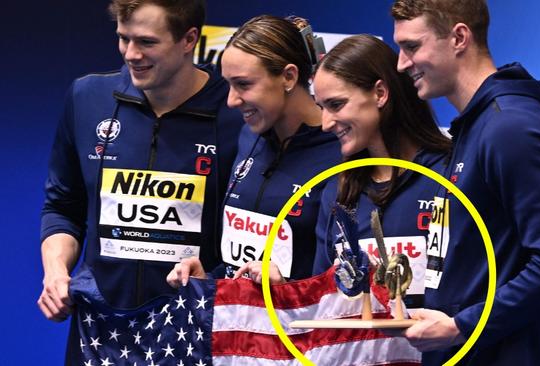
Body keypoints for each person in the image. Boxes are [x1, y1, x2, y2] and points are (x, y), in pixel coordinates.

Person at [37, 0, 242, 362]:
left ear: (189, 39)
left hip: (191, 332)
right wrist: (55, 272)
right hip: (100, 330)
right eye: (123, 38)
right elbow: (63, 207)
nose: (131, 54)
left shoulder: (235, 112)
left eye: (147, 42)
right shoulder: (87, 98)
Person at [390, 0, 540, 364]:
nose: (402, 63)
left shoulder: (510, 127)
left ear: (459, 38)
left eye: (412, 47)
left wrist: (461, 326)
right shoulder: (478, 125)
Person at [167, 15, 341, 287]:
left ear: (288, 76)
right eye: (228, 84)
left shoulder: (341, 152)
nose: (231, 100)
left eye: (244, 85)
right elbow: (241, 257)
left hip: (295, 327)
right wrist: (209, 278)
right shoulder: (249, 135)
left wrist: (286, 286)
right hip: (237, 324)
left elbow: (345, 288)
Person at [310, 34, 451, 310]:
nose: (325, 123)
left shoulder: (449, 176)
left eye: (336, 105)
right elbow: (324, 300)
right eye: (321, 108)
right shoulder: (337, 190)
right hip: (362, 353)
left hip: (443, 353)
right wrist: (281, 287)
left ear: (380, 93)